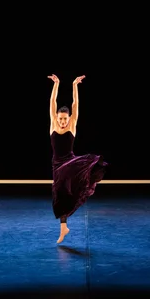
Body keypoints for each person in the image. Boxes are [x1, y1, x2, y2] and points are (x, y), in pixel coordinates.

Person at [48, 74, 107, 244]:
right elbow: (52, 103)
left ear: (69, 119)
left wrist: (75, 85)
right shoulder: (53, 124)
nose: (63, 122)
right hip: (57, 165)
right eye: (60, 119)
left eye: (65, 119)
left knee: (88, 164)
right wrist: (56, 84)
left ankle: (92, 172)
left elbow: (76, 104)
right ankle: (63, 227)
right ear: (56, 118)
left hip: (71, 163)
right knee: (60, 196)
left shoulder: (72, 125)